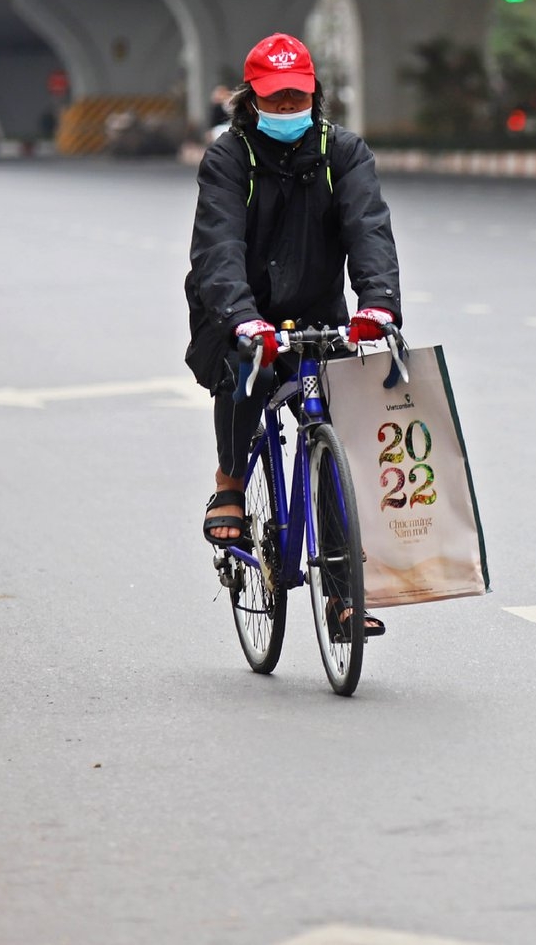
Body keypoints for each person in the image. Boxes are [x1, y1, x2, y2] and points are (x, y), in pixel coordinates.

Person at [184, 33, 401, 636]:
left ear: (315, 96)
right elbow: (218, 247)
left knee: (331, 438)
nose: (286, 110)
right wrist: (242, 317)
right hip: (234, 307)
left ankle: (342, 598)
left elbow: (369, 229)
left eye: (296, 99)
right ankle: (230, 483)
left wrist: (379, 303)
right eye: (274, 101)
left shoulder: (345, 152)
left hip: (316, 312)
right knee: (242, 372)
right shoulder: (228, 158)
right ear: (250, 101)